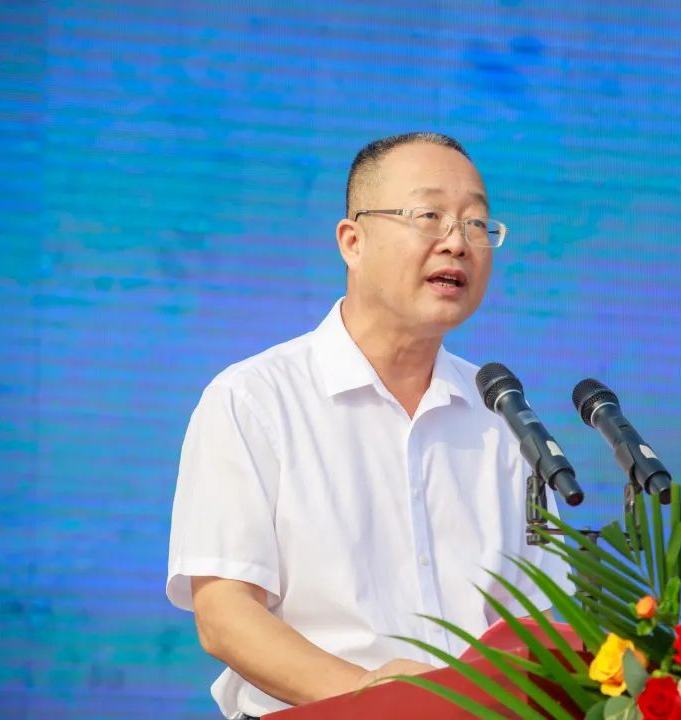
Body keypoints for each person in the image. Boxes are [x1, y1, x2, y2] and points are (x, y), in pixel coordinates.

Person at [165, 132, 572, 718]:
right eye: (429, 216)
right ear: (352, 242)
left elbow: (536, 623)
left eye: (477, 224)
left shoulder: (503, 416)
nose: (457, 242)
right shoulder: (254, 400)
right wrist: (372, 696)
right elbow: (225, 614)